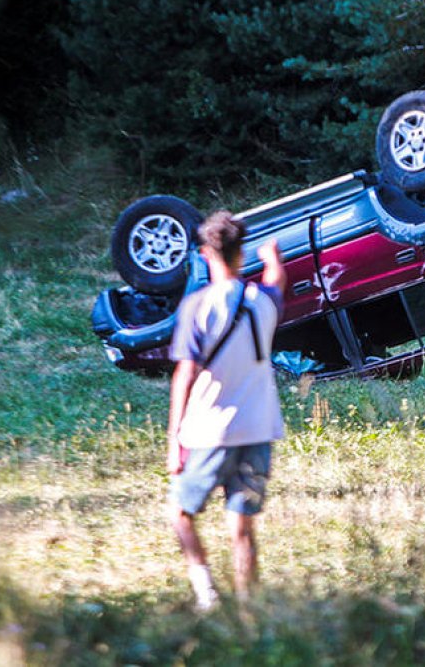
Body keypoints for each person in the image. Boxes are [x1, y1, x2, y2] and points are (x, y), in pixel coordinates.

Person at [165, 209, 286, 611]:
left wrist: (173, 441)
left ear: (204, 254)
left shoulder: (198, 306)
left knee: (180, 513)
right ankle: (249, 608)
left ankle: (207, 594)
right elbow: (274, 285)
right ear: (241, 252)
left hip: (209, 431)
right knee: (243, 528)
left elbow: (184, 376)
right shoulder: (264, 302)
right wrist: (274, 262)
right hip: (257, 428)